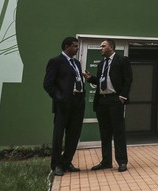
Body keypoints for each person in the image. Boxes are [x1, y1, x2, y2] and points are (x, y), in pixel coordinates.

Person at [84, 39, 133, 171]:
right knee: (104, 132)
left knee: (118, 131)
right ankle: (106, 161)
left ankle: (122, 161)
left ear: (111, 47)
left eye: (103, 46)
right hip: (102, 101)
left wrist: (122, 97)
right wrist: (90, 79)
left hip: (115, 100)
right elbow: (102, 80)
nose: (100, 48)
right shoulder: (101, 63)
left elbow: (128, 79)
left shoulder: (122, 60)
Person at [43, 36, 86, 176]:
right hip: (63, 105)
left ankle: (67, 163)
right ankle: (56, 165)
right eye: (74, 46)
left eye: (77, 46)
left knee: (73, 135)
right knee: (58, 135)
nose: (77, 48)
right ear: (66, 47)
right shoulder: (56, 62)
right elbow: (48, 84)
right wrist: (60, 97)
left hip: (77, 104)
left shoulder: (77, 63)